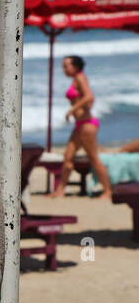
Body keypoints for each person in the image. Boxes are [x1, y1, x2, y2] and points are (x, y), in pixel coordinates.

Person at [50, 55, 112, 200]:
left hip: (87, 125)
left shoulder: (80, 77)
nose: (63, 69)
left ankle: (108, 191)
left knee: (93, 158)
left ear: (76, 67)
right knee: (68, 156)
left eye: (66, 66)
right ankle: (60, 190)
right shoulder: (76, 79)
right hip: (80, 125)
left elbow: (89, 97)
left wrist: (72, 109)